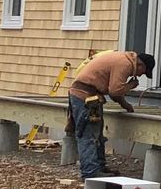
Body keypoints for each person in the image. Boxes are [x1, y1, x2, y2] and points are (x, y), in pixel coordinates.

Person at [66, 49, 154, 180]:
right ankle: (90, 172)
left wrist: (125, 105)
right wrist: (130, 85)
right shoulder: (125, 64)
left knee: (96, 134)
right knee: (88, 135)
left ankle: (99, 167)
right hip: (85, 97)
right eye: (143, 72)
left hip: (91, 97)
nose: (140, 75)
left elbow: (114, 91)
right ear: (140, 65)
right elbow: (115, 91)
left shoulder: (122, 59)